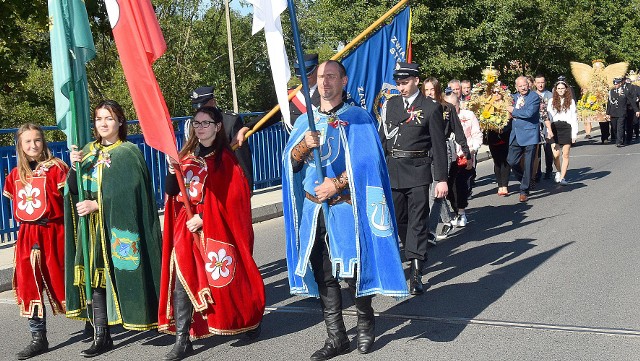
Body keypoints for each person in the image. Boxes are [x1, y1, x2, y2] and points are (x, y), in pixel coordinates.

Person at [283, 60, 408, 360]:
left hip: (345, 209)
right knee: (324, 275)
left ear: (343, 81)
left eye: (331, 77)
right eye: (321, 77)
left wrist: (336, 185)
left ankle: (365, 322)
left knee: (352, 272)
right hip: (315, 214)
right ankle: (336, 337)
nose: (325, 82)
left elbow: (367, 164)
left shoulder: (358, 118)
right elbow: (292, 164)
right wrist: (301, 147)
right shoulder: (306, 121)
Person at [158, 106, 265, 361]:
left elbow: (234, 200)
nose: (200, 127)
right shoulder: (185, 157)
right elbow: (173, 191)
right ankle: (183, 340)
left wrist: (204, 218)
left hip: (216, 230)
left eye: (206, 123)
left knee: (226, 281)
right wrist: (173, 171)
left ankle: (249, 317)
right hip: (187, 228)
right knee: (183, 277)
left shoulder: (226, 160)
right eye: (197, 123)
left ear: (218, 127)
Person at [65, 100, 163, 357]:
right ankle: (101, 335)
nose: (103, 123)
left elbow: (129, 194)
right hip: (93, 230)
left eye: (109, 118)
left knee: (123, 274)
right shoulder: (87, 151)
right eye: (99, 119)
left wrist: (97, 204)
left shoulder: (128, 153)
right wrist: (74, 167)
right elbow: (74, 191)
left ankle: (145, 315)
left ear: (120, 121)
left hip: (118, 228)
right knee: (96, 280)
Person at [380, 62, 448, 295]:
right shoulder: (391, 104)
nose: (401, 87)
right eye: (398, 83)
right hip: (393, 169)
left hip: (419, 170)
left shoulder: (430, 107)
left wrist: (441, 178)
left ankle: (416, 269)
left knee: (418, 221)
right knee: (399, 220)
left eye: (405, 82)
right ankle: (412, 249)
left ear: (416, 81)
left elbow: (438, 145)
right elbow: (382, 139)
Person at [3, 124, 68, 360]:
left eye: (37, 140)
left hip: (54, 232)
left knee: (67, 280)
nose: (33, 146)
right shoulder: (15, 175)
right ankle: (38, 337)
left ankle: (93, 326)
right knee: (30, 285)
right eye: (27, 142)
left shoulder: (57, 169)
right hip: (27, 236)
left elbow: (69, 204)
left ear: (44, 142)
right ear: (20, 145)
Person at [422, 79, 469, 240]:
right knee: (428, 190)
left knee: (436, 190)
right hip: (425, 151)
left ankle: (431, 231)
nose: (429, 92)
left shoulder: (447, 108)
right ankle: (448, 220)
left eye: (432, 89)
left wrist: (467, 152)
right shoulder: (419, 109)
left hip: (443, 149)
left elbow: (458, 131)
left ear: (438, 90)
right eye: (426, 89)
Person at [190, 86, 254, 190]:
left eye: (203, 105)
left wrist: (247, 187)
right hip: (203, 185)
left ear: (213, 102)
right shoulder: (192, 124)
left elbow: (242, 158)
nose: (199, 109)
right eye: (197, 106)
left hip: (227, 184)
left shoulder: (230, 121)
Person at [444, 93, 482, 226]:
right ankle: (457, 211)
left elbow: (476, 134)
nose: (451, 109)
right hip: (450, 158)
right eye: (448, 106)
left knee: (460, 186)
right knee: (449, 188)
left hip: (465, 156)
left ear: (458, 104)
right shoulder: (443, 117)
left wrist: (472, 150)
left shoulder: (468, 115)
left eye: (453, 106)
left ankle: (461, 213)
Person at [507, 76, 541, 202]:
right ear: (516, 87)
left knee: (528, 164)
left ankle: (524, 190)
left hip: (530, 135)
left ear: (529, 85)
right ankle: (525, 180)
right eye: (520, 86)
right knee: (511, 161)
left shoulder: (534, 97)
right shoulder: (512, 98)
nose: (523, 88)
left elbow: (529, 113)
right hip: (515, 135)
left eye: (525, 85)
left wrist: (513, 111)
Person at [545, 79, 578, 185]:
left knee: (566, 154)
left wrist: (574, 134)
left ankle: (563, 177)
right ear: (555, 90)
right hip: (555, 127)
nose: (560, 90)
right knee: (556, 155)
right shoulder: (551, 101)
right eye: (558, 88)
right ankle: (558, 171)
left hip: (567, 128)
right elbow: (548, 117)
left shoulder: (571, 101)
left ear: (566, 89)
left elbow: (574, 118)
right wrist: (548, 131)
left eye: (562, 88)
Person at [607, 78, 639, 147]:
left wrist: (636, 110)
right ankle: (621, 138)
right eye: (615, 84)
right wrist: (607, 113)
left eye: (617, 84)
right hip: (613, 112)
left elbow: (631, 101)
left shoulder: (625, 91)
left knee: (620, 127)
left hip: (622, 112)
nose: (616, 85)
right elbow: (609, 103)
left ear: (620, 84)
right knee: (614, 127)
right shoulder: (611, 92)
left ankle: (619, 141)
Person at [533, 74, 554, 180]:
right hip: (536, 125)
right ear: (534, 83)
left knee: (548, 149)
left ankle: (549, 170)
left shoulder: (550, 95)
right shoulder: (532, 95)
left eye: (542, 82)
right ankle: (537, 171)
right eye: (538, 83)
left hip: (547, 124)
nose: (540, 85)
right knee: (537, 150)